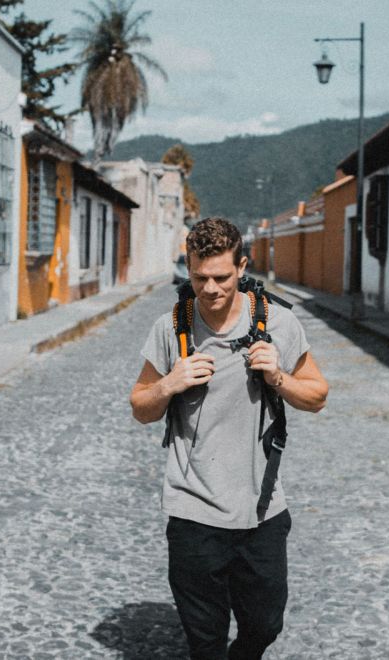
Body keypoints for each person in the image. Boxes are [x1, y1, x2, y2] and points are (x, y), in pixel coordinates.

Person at [130, 217, 329, 659]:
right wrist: (169, 383)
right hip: (192, 510)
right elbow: (141, 407)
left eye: (222, 277)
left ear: (242, 266)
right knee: (205, 641)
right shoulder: (171, 328)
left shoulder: (277, 323)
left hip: (261, 508)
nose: (211, 288)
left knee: (264, 624)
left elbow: (316, 396)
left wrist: (277, 375)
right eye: (199, 277)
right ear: (189, 268)